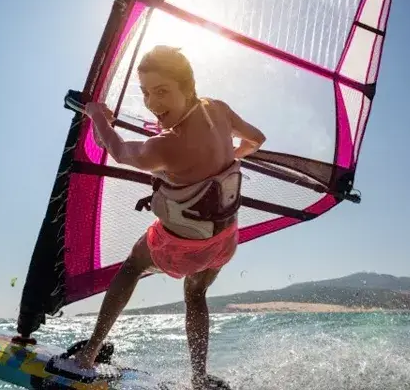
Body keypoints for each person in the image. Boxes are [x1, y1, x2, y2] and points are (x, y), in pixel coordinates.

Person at [74, 45, 266, 389]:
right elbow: (256, 139)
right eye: (146, 92)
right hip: (224, 242)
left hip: (182, 247)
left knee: (132, 266)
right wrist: (225, 163)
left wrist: (95, 115)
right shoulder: (216, 109)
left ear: (187, 88)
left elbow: (118, 151)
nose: (152, 102)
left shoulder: (165, 146)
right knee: (195, 295)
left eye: (162, 91)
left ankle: (87, 354)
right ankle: (200, 377)